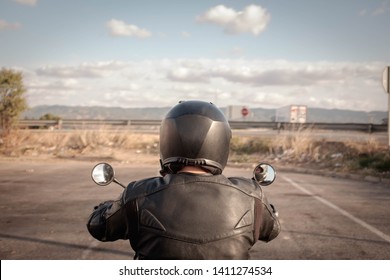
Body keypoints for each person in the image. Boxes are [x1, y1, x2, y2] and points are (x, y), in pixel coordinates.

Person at [87, 100, 281, 259]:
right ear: (221, 141)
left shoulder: (138, 194)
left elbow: (98, 227)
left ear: (167, 139)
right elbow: (272, 231)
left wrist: (112, 205)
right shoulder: (251, 194)